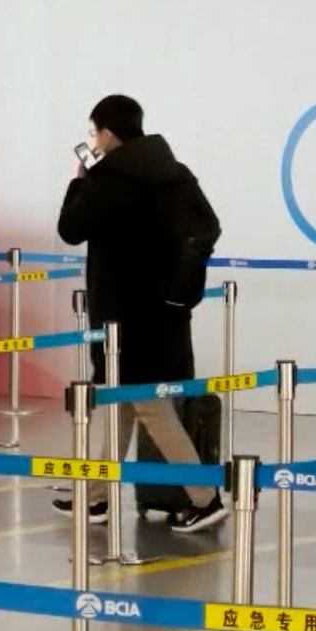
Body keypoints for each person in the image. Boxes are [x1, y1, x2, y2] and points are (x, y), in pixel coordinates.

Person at [54, 94, 228, 533]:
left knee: (150, 408)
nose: (94, 139)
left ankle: (206, 499)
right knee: (122, 404)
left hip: (121, 318)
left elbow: (70, 230)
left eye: (95, 131)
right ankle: (96, 497)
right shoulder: (174, 173)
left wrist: (78, 181)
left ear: (108, 133)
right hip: (165, 312)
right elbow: (208, 225)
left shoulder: (108, 180)